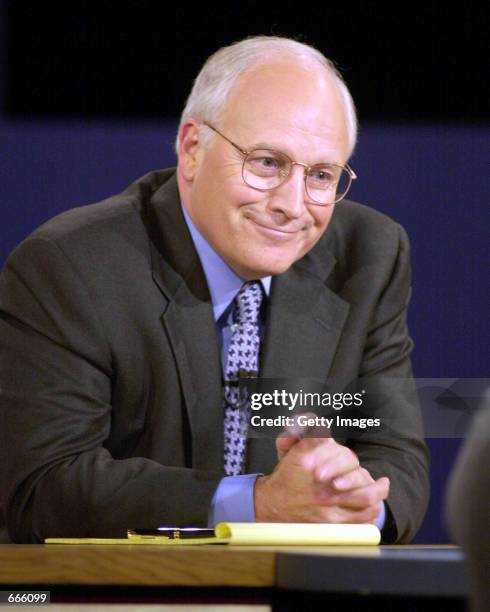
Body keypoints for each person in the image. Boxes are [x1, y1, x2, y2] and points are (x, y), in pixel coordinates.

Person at [0, 36, 429, 543]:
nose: (293, 205)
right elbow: (44, 487)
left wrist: (350, 502)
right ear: (191, 149)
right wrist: (257, 503)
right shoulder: (71, 266)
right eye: (267, 163)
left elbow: (395, 456)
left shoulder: (368, 256)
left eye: (320, 175)